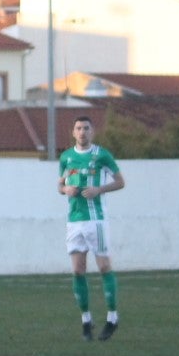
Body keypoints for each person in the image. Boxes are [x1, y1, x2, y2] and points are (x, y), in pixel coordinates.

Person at [60, 115, 125, 340]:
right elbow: (60, 184)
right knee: (78, 270)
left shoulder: (101, 155)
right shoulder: (66, 157)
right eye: (78, 128)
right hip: (74, 220)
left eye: (86, 128)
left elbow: (120, 181)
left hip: (95, 219)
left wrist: (99, 190)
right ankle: (86, 320)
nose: (82, 132)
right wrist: (65, 190)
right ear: (73, 132)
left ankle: (112, 318)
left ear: (92, 132)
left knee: (104, 266)